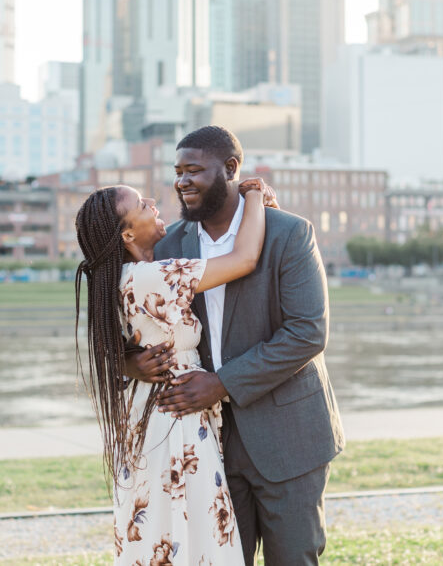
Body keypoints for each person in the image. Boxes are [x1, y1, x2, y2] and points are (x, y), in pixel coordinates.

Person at [128, 126, 345, 565]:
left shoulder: (289, 233)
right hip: (208, 443)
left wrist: (222, 383)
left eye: (194, 170)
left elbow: (308, 332)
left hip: (290, 438)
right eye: (178, 172)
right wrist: (132, 362)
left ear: (230, 169)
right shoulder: (169, 246)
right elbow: (131, 319)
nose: (182, 181)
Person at [74, 177, 272, 565]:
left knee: (159, 528)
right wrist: (254, 195)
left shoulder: (113, 280)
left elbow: (117, 350)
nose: (151, 201)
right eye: (141, 204)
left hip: (148, 414)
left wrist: (129, 362)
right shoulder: (152, 277)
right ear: (128, 232)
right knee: (193, 529)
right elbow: (245, 258)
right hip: (174, 421)